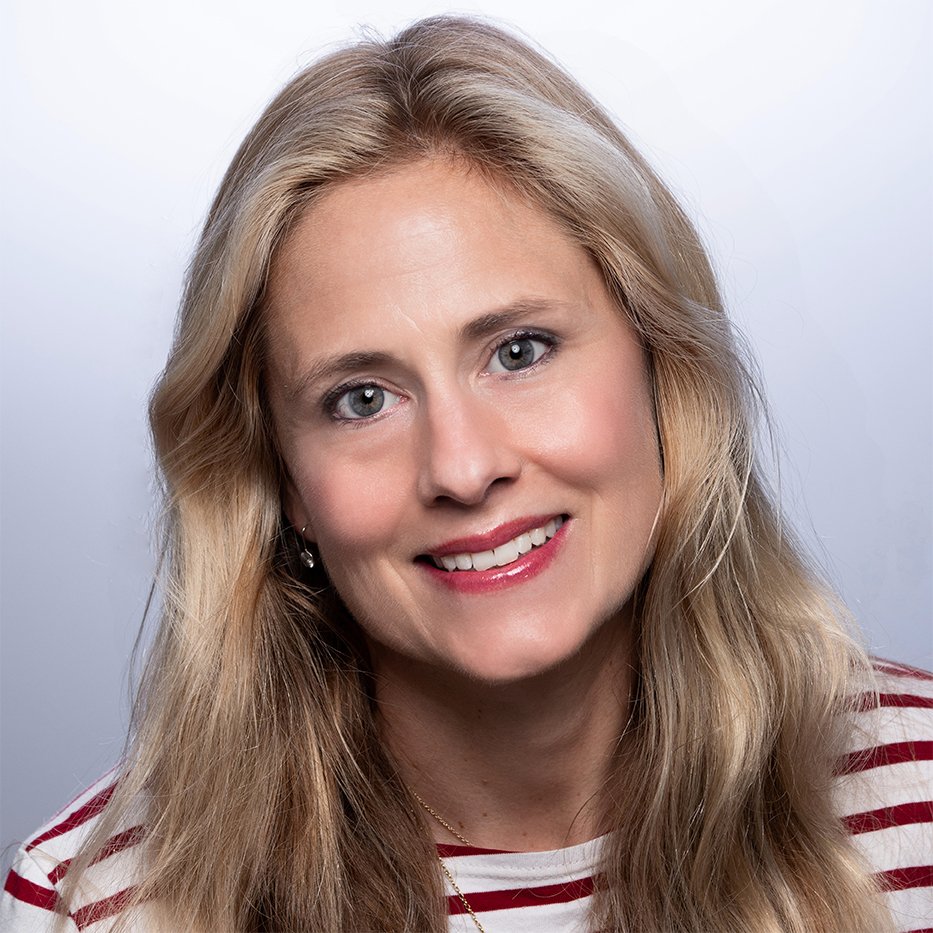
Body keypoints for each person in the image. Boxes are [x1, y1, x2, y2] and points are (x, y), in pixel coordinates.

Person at [2, 14, 931, 933]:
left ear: (661, 368)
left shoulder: (916, 796)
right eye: (361, 398)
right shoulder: (91, 908)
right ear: (282, 480)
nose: (463, 466)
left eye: (519, 350)